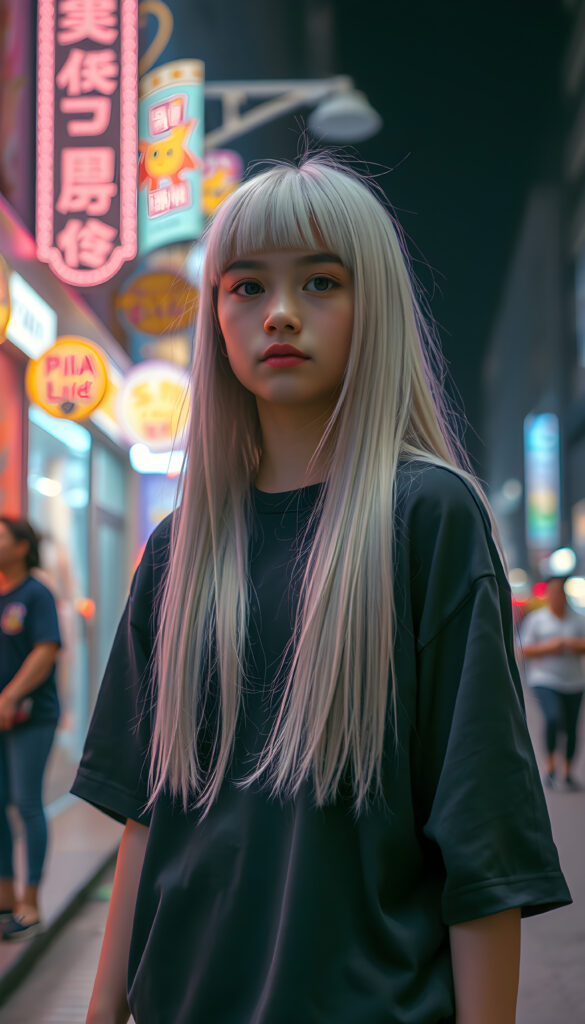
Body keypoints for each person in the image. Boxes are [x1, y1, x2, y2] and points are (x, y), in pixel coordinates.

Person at [73, 156, 571, 1024]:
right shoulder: (177, 551)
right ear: (215, 317)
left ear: (371, 302)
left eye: (320, 281)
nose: (281, 313)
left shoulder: (428, 517)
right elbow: (145, 821)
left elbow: (480, 842)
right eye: (245, 286)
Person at [0, 517, 61, 940]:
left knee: (26, 803)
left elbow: (46, 650)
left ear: (22, 547)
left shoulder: (36, 594)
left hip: (30, 718)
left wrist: (10, 696)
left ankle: (31, 904)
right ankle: (6, 898)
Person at [520, 574, 585, 790]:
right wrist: (551, 647)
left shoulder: (577, 619)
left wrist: (570, 645)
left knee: (572, 727)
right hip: (545, 679)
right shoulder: (537, 619)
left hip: (574, 681)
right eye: (553, 592)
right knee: (553, 717)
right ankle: (549, 767)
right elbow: (523, 650)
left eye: (561, 592)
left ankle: (566, 772)